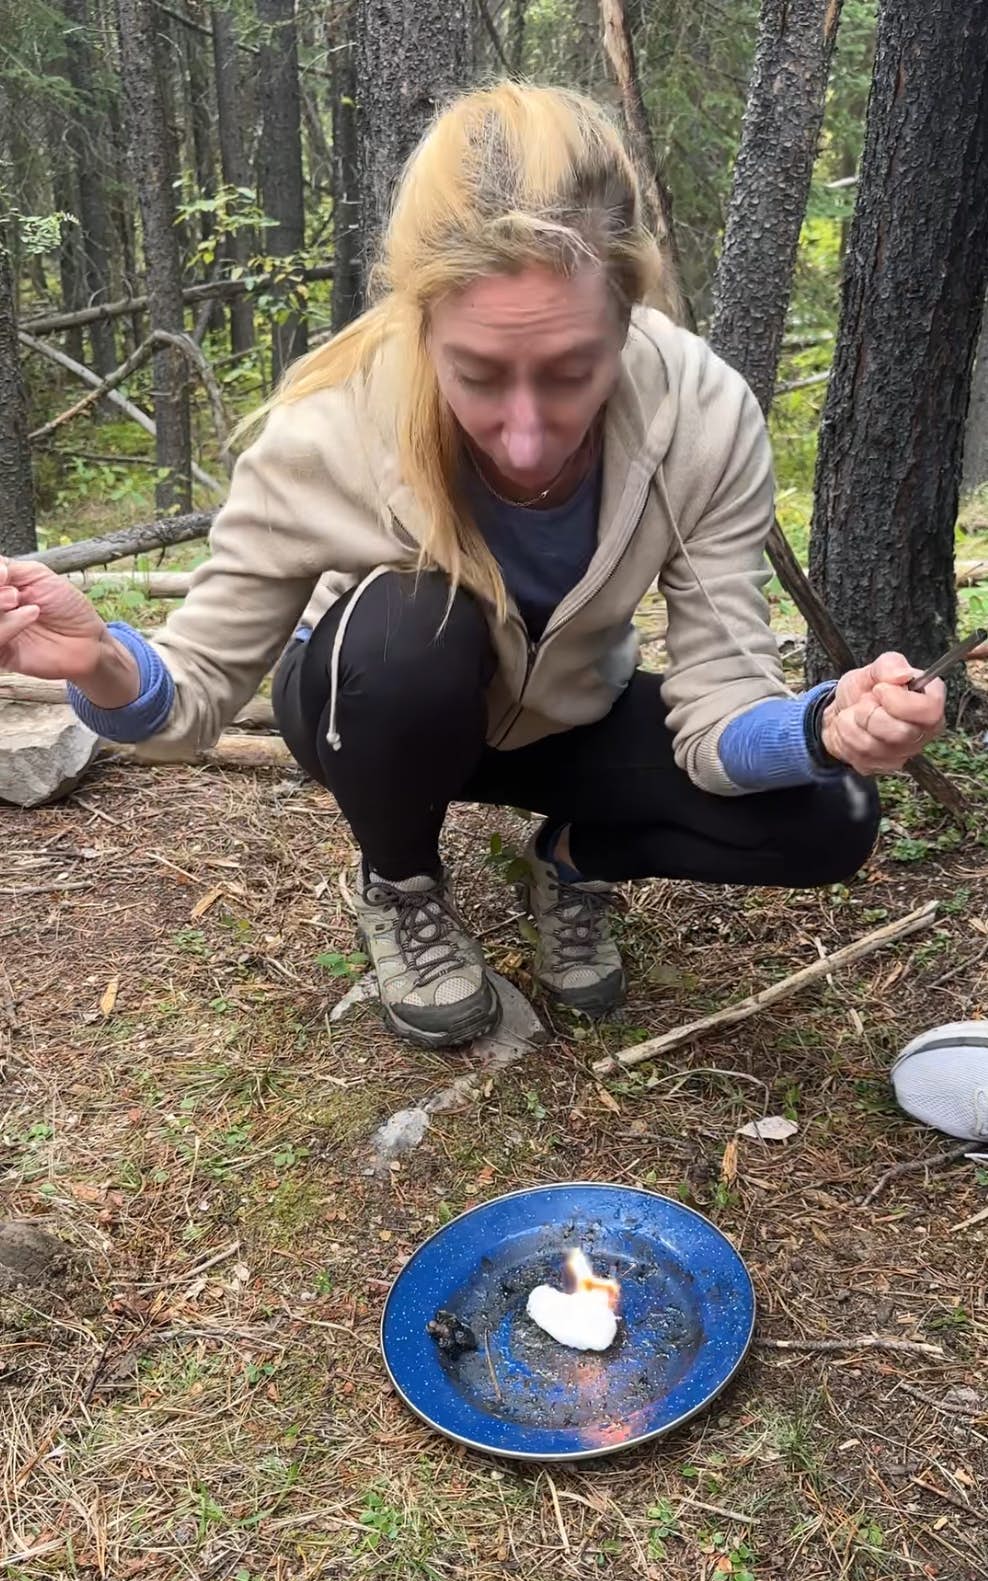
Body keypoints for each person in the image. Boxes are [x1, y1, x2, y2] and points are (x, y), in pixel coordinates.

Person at [0, 83, 947, 1051]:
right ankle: (402, 881)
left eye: (573, 370)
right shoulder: (325, 429)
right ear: (418, 322)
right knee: (410, 624)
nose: (526, 441)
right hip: (375, 704)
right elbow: (192, 697)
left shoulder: (702, 414)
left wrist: (823, 725)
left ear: (627, 310)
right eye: (479, 375)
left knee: (826, 817)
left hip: (564, 718)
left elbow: (715, 707)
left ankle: (573, 858)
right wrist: (98, 662)